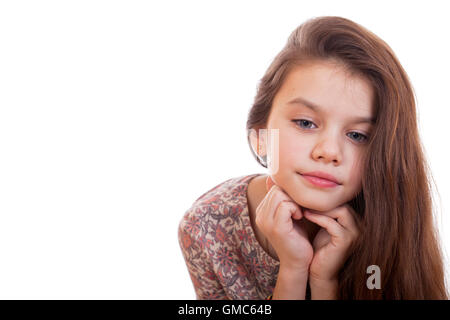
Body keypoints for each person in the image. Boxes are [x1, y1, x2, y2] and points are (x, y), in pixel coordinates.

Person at [178, 16, 449, 300]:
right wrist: (293, 270)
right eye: (306, 123)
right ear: (260, 135)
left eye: (357, 135)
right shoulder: (206, 225)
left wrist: (324, 282)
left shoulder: (389, 227)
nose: (329, 152)